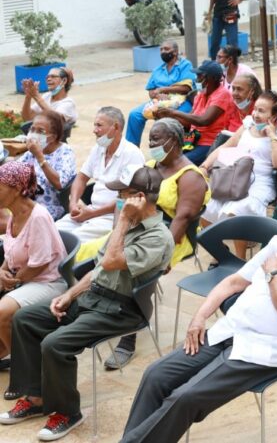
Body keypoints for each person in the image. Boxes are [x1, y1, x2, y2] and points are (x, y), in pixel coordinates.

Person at [119, 184, 277, 443]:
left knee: (185, 397)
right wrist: (200, 317)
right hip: (230, 330)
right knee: (156, 375)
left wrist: (273, 274)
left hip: (268, 348)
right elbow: (234, 282)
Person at [0, 166, 173, 441]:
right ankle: (36, 398)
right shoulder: (127, 224)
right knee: (26, 319)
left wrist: (124, 222)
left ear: (138, 197)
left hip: (122, 309)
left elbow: (111, 262)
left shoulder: (157, 236)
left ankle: (68, 413)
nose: (117, 199)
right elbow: (97, 271)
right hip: (94, 296)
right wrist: (69, 294)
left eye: (122, 194)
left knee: (55, 344)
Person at [103, 120, 210, 370]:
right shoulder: (150, 166)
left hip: (174, 236)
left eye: (157, 139)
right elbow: (127, 199)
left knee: (137, 274)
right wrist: (117, 228)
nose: (151, 144)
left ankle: (128, 336)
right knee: (97, 255)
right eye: (150, 139)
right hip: (142, 226)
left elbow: (182, 219)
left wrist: (164, 254)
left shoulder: (191, 176)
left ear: (175, 140)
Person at [200, 91, 277, 256]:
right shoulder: (247, 126)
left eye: (262, 111)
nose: (256, 114)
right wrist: (205, 165)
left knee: (236, 211)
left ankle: (240, 260)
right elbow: (226, 146)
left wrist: (271, 135)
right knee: (204, 206)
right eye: (255, 109)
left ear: (275, 116)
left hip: (260, 182)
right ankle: (221, 254)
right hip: (234, 176)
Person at [0, 162, 67, 378]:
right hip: (24, 279)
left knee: (1, 313)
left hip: (48, 282)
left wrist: (13, 281)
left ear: (18, 189)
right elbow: (10, 253)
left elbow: (40, 264)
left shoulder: (37, 216)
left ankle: (26, 371)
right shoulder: (13, 215)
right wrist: (2, 270)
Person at [57, 107, 145, 241]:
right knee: (52, 232)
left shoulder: (132, 154)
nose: (94, 130)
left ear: (115, 127)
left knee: (72, 240)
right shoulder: (98, 149)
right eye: (94, 125)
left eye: (99, 125)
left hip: (112, 216)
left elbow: (128, 197)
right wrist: (73, 203)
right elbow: (81, 178)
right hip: (90, 211)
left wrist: (92, 213)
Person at [154, 60, 235, 165]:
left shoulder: (222, 94)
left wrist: (174, 113)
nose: (197, 80)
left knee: (176, 163)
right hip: (193, 139)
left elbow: (204, 120)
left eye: (201, 76)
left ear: (213, 79)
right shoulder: (201, 94)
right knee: (163, 157)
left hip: (210, 143)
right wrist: (167, 116)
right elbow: (189, 121)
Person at [125, 41, 196, 146]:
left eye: (166, 49)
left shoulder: (185, 65)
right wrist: (158, 95)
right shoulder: (158, 69)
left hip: (182, 101)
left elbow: (185, 88)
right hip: (159, 100)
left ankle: (172, 149)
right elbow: (151, 90)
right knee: (134, 115)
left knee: (173, 119)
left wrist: (163, 89)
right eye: (161, 49)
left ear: (175, 52)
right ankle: (132, 149)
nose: (163, 52)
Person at [13, 112, 76, 222]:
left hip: (49, 207)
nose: (34, 134)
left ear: (52, 137)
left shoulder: (65, 152)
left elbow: (60, 183)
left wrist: (40, 157)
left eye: (40, 131)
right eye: (32, 129)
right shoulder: (31, 152)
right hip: (26, 204)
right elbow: (13, 171)